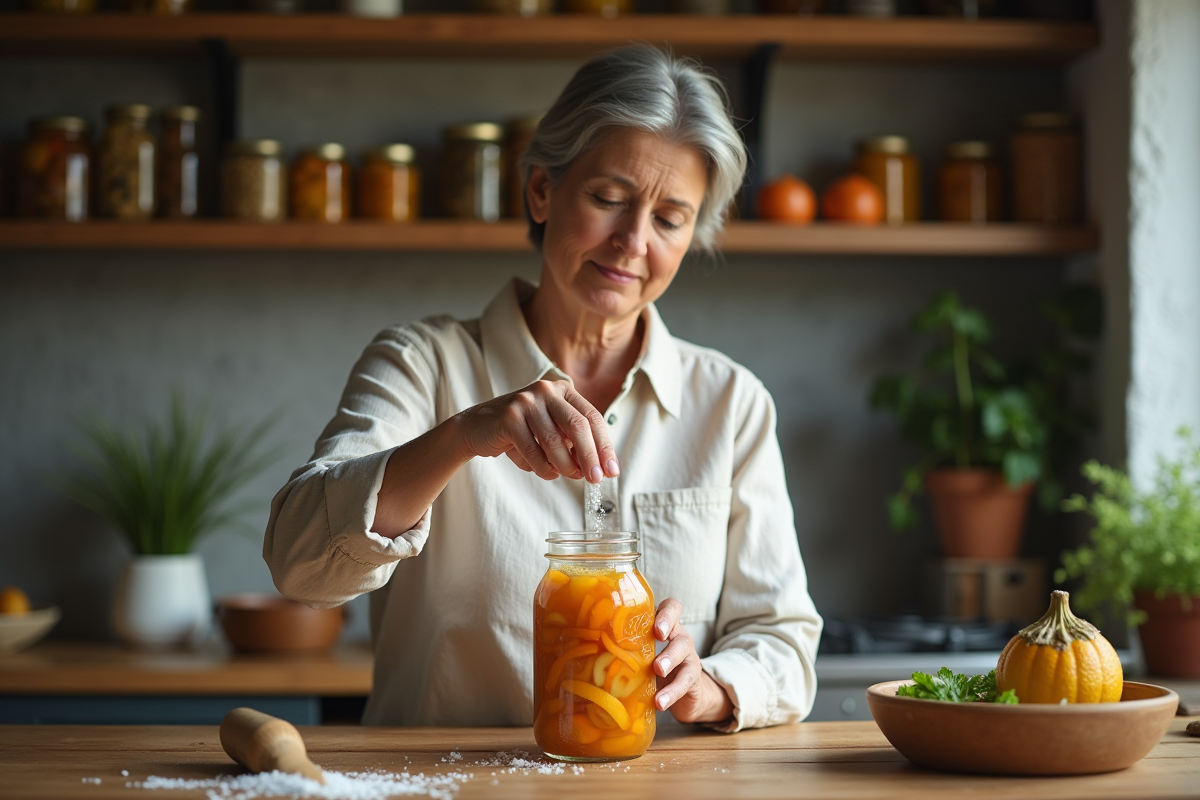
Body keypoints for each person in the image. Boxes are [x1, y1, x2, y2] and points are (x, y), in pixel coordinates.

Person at [264, 45, 822, 732]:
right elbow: (300, 566)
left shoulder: (730, 404)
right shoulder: (422, 363)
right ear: (541, 190)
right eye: (608, 199)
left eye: (670, 219)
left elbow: (784, 642)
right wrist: (464, 435)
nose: (632, 242)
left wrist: (709, 686)